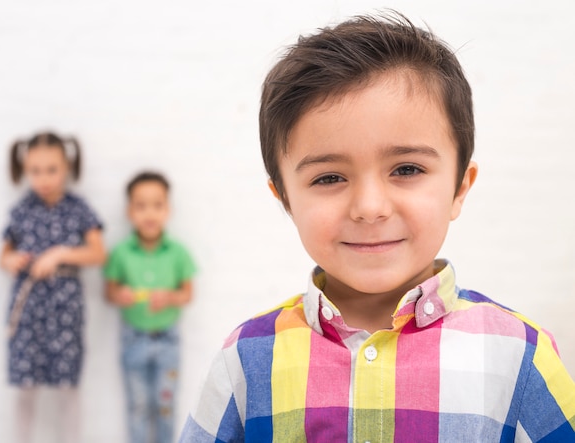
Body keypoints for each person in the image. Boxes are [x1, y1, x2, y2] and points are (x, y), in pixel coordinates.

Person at [179, 11, 575, 442]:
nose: (369, 208)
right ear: (286, 199)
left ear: (460, 187)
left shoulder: (519, 353)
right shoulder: (246, 358)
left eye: (406, 168)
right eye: (329, 177)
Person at [0, 131, 106, 443]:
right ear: (25, 170)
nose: (43, 178)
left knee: (67, 385)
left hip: (64, 311)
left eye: (52, 169)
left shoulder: (78, 209)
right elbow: (3, 254)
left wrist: (59, 254)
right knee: (25, 386)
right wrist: (12, 260)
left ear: (67, 168)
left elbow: (98, 253)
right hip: (29, 310)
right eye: (35, 171)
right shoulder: (22, 210)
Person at [105, 171, 197, 443]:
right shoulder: (121, 252)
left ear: (168, 209)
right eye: (141, 206)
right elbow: (109, 291)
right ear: (129, 211)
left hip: (168, 339)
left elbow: (188, 294)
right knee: (138, 406)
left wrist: (169, 297)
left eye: (157, 205)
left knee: (165, 406)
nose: (150, 214)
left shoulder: (178, 252)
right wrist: (119, 293)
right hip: (132, 338)